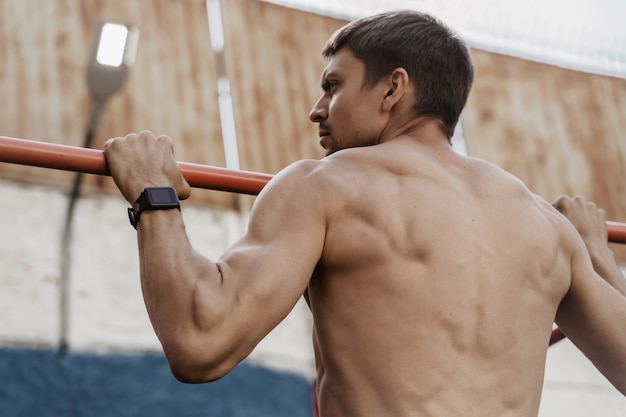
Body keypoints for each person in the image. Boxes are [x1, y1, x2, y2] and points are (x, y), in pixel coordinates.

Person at [103, 10, 626, 417]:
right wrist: (599, 261)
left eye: (333, 85)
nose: (317, 108)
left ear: (393, 88)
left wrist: (155, 197)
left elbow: (200, 342)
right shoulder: (549, 230)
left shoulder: (326, 186)